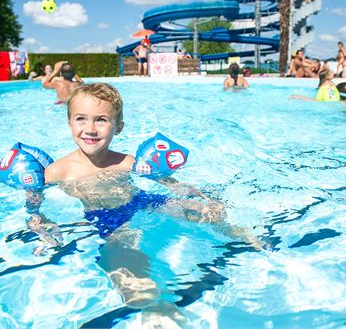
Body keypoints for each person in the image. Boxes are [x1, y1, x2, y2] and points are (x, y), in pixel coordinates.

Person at [38, 83, 263, 314]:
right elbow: (35, 203)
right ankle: (152, 306)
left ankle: (244, 237)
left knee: (208, 211)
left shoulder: (125, 161)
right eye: (81, 119)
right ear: (69, 123)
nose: (91, 129)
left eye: (101, 120)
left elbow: (166, 181)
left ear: (118, 127)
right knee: (122, 257)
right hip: (107, 218)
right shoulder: (59, 171)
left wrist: (193, 193)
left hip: (142, 200)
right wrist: (43, 226)